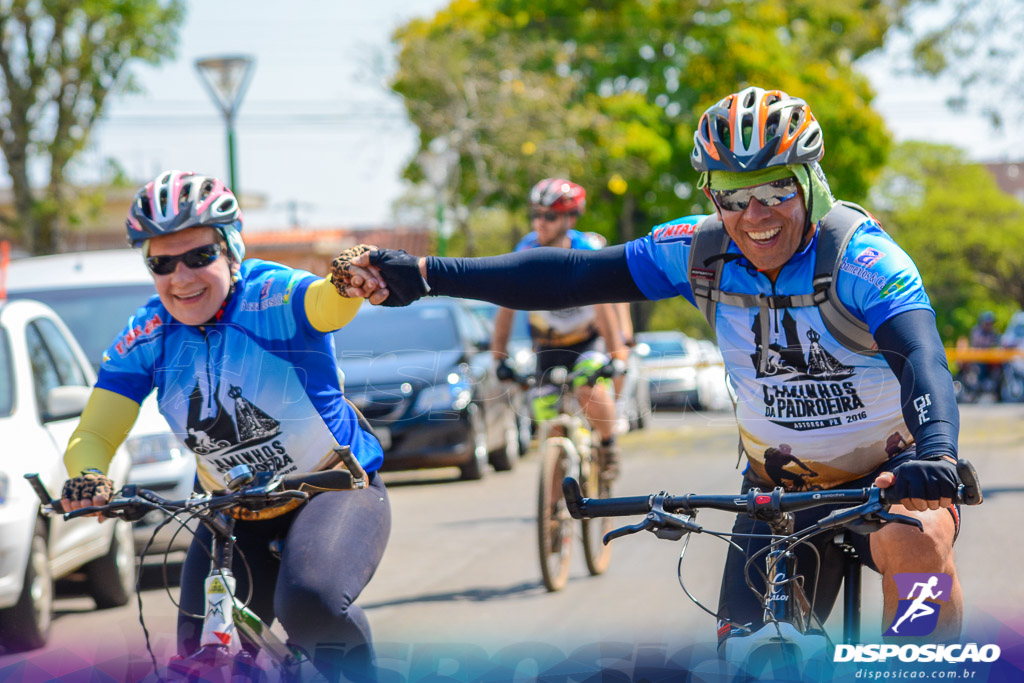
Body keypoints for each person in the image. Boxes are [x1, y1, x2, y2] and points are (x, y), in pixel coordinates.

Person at [338, 86, 965, 644]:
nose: (755, 214)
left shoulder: (863, 258)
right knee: (746, 654)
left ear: (810, 180)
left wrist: (935, 452)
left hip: (893, 478)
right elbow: (573, 274)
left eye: (776, 187)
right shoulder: (701, 252)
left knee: (916, 545)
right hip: (780, 484)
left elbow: (921, 357)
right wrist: (424, 276)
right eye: (732, 195)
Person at [57, 170, 390, 681]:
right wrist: (89, 476)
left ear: (231, 249)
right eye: (161, 264)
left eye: (198, 256)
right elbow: (95, 432)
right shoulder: (148, 332)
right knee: (199, 655)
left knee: (310, 604)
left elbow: (325, 306)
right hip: (232, 512)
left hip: (333, 486)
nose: (181, 277)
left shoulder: (272, 294)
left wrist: (348, 281)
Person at [492, 178, 626, 478]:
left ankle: (608, 445)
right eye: (536, 214)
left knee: (588, 388)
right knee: (548, 425)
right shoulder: (524, 251)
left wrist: (618, 356)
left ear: (570, 218)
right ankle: (555, 512)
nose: (540, 222)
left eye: (549, 216)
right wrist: (499, 359)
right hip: (547, 347)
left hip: (587, 341)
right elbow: (505, 307)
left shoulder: (587, 250)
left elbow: (606, 308)